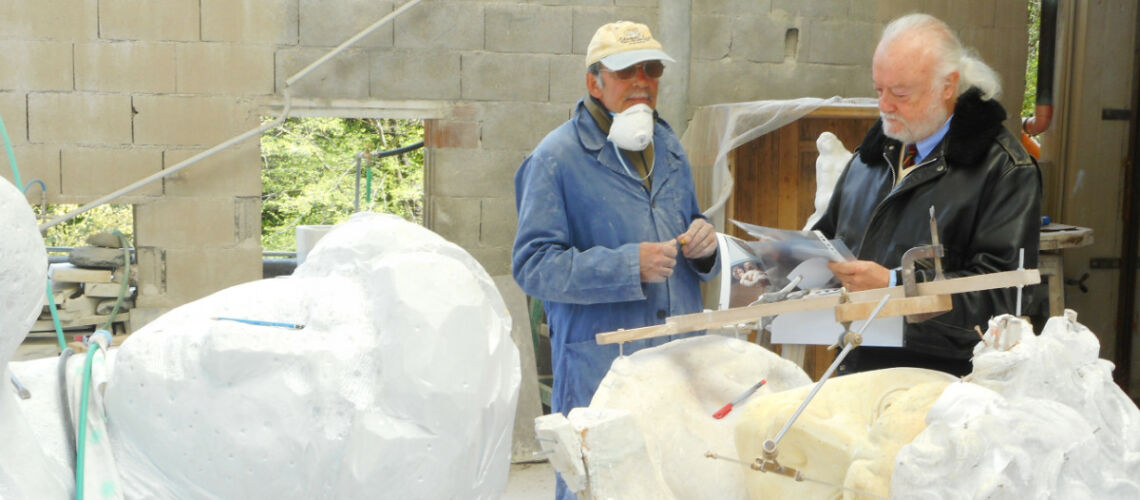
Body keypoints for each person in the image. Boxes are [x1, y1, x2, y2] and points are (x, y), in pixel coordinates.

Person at [511, 20, 719, 499]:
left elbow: (688, 222)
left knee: (674, 478)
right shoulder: (555, 159)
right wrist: (629, 265)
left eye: (651, 69)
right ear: (594, 81)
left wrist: (706, 246)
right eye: (626, 71)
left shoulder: (668, 148)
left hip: (675, 356)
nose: (642, 81)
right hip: (600, 364)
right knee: (598, 483)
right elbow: (533, 265)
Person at [813, 13, 1044, 377]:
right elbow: (827, 240)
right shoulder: (872, 157)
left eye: (900, 93)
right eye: (879, 90)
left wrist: (895, 286)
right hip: (856, 364)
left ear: (947, 86)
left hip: (946, 383)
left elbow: (1005, 300)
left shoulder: (1004, 169)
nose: (884, 106)